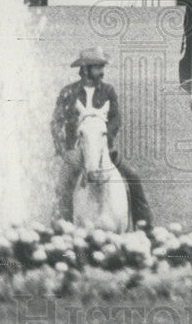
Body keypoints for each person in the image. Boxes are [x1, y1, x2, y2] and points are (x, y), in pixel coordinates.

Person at [50, 47, 153, 227]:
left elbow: (116, 118)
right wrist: (65, 152)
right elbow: (56, 123)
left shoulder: (108, 91)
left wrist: (106, 138)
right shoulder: (68, 93)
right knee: (63, 187)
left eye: (102, 67)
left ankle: (144, 226)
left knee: (133, 177)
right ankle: (61, 232)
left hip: (104, 149)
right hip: (77, 153)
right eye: (98, 67)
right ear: (86, 69)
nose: (102, 72)